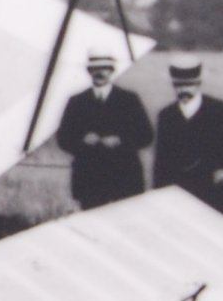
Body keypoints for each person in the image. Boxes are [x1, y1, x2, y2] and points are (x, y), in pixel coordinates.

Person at [150, 55, 223, 219]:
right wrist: (159, 199)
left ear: (199, 83)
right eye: (178, 85)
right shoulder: (166, 115)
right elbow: (161, 162)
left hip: (221, 198)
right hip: (182, 198)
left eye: (189, 84)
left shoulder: (222, 110)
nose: (183, 90)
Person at [53, 49, 152, 208]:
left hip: (124, 178)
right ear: (89, 71)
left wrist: (120, 140)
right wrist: (82, 141)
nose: (100, 73)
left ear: (112, 70)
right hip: (90, 180)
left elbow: (146, 135)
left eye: (105, 68)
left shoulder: (129, 100)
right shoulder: (77, 102)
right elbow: (63, 138)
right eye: (95, 69)